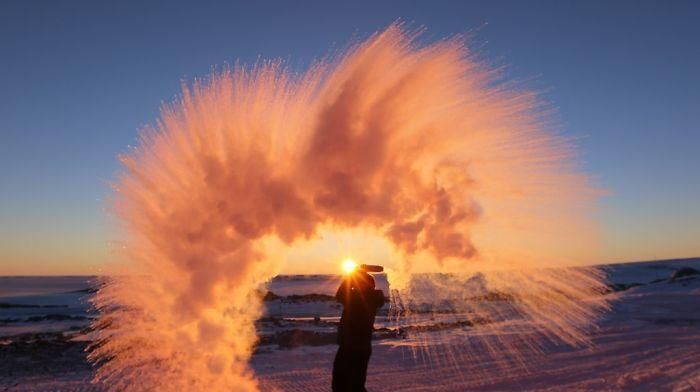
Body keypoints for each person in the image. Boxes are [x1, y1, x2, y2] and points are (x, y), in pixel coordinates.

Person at [332, 267, 386, 392]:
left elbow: (340, 295)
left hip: (349, 346)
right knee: (357, 385)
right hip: (363, 347)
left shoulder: (357, 298)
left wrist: (351, 276)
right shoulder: (373, 298)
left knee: (340, 384)